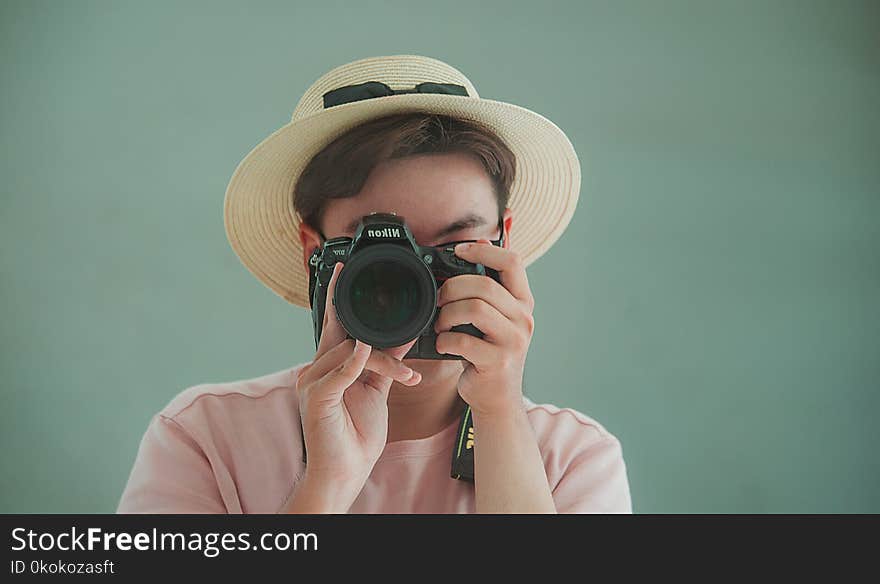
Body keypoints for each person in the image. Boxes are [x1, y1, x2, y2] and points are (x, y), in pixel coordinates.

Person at [117, 55, 632, 514]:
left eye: (453, 249)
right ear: (312, 252)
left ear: (503, 245)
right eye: (383, 253)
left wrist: (499, 414)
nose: (418, 282)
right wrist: (327, 482)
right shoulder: (206, 440)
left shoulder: (573, 458)